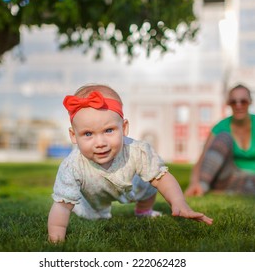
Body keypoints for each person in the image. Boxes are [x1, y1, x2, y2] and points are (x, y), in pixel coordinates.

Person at [48, 84, 213, 243]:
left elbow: (162, 178)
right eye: (88, 133)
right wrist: (55, 240)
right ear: (73, 136)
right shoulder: (72, 166)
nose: (100, 142)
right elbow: (62, 207)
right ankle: (96, 212)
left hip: (131, 184)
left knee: (149, 183)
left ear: (124, 128)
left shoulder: (136, 151)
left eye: (109, 130)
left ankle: (143, 210)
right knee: (90, 215)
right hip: (91, 194)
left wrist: (179, 202)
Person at [185, 84, 255, 197]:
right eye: (233, 102)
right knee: (224, 137)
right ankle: (202, 187)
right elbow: (203, 160)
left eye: (243, 101)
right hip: (224, 176)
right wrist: (194, 183)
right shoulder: (220, 126)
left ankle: (223, 192)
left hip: (248, 179)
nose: (238, 105)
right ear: (228, 104)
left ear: (250, 102)